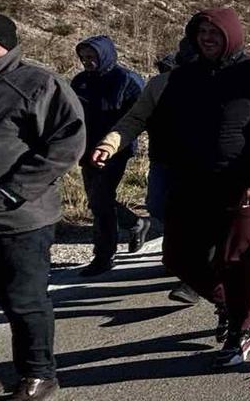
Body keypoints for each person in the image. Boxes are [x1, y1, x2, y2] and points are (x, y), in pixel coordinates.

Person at [150, 8, 250, 368]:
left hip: (242, 185)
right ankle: (225, 302)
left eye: (215, 33)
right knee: (176, 256)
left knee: (235, 258)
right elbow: (166, 123)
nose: (207, 39)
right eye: (202, 33)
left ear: (232, 36)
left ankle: (241, 331)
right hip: (192, 182)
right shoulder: (185, 76)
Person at [0, 14, 84, 401]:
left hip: (20, 218)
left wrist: (13, 190)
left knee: (23, 302)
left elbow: (68, 141)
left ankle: (38, 377)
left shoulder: (37, 82)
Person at [91, 40, 202, 304]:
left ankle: (194, 279)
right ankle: (179, 258)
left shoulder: (222, 83)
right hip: (164, 161)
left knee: (196, 219)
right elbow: (135, 118)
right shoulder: (159, 85)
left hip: (204, 165)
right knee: (158, 206)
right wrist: (110, 144)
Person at [71, 35, 150, 277]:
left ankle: (104, 255)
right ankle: (135, 223)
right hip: (86, 148)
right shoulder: (80, 82)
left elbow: (140, 116)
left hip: (115, 149)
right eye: (84, 57)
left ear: (104, 55)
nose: (88, 61)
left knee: (101, 199)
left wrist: (114, 142)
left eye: (92, 56)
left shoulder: (126, 80)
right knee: (96, 199)